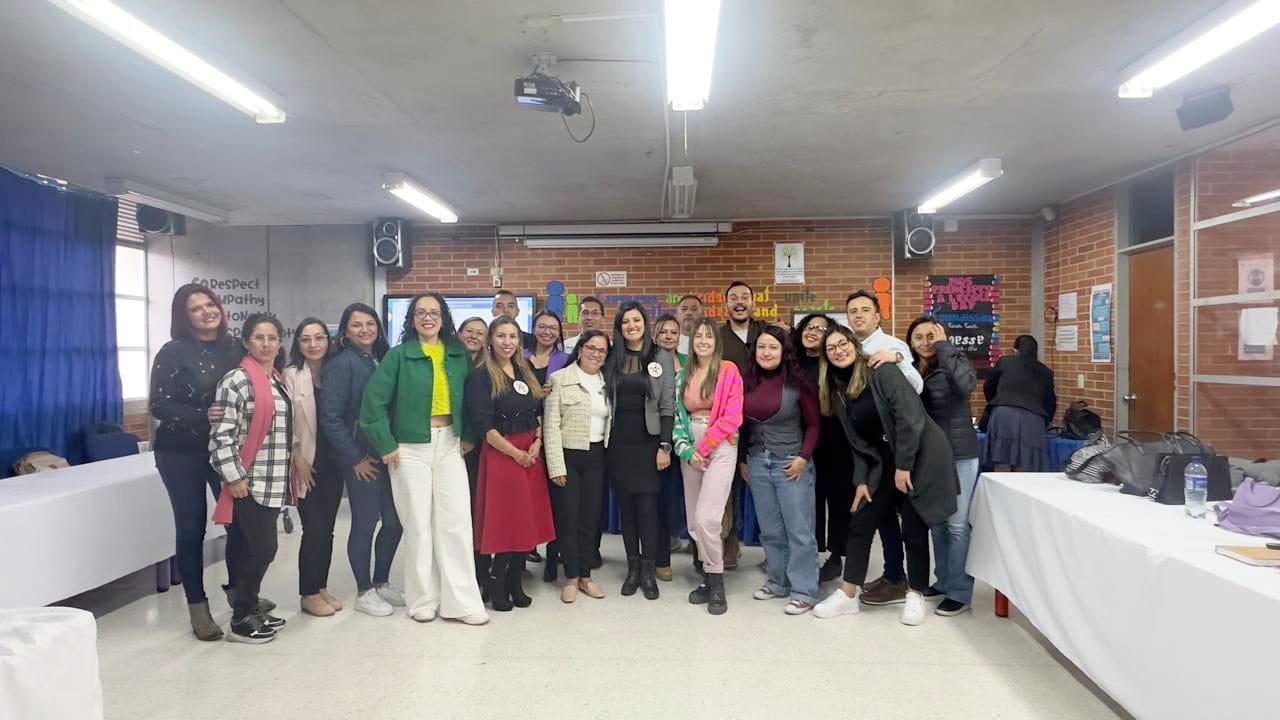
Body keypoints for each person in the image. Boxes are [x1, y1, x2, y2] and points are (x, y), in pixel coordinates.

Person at [812, 326, 958, 626]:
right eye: (831, 348)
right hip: (884, 464)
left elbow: (910, 417)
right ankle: (848, 594)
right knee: (861, 522)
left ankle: (915, 593)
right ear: (825, 357)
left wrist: (904, 466)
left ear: (854, 345)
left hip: (918, 457)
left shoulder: (881, 371)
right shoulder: (837, 390)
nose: (839, 350)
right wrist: (862, 480)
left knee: (913, 530)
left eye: (843, 343)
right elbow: (857, 443)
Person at [359, 292, 488, 625]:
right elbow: (372, 406)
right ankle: (422, 600)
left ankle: (462, 603)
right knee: (417, 524)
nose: (428, 318)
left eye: (434, 312)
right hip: (409, 448)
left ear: (443, 318)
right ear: (412, 319)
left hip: (449, 445)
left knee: (456, 523)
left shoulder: (458, 355)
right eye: (420, 312)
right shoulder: (398, 356)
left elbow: (472, 401)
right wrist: (386, 444)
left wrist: (469, 435)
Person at [149, 284, 255, 641]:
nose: (207, 312)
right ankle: (198, 607)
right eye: (196, 309)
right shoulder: (173, 352)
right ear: (184, 316)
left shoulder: (236, 348)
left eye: (210, 304)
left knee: (240, 523)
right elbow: (159, 405)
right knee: (191, 527)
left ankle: (241, 595)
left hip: (224, 449)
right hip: (180, 452)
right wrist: (202, 415)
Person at [209, 313, 293, 644]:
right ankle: (241, 616)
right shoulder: (237, 380)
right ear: (246, 342)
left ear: (280, 342)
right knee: (263, 548)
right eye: (259, 337)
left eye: (272, 337)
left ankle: (250, 607)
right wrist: (234, 477)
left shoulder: (275, 379)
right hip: (250, 480)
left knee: (248, 547)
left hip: (273, 478)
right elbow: (221, 436)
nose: (266, 343)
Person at [466, 316, 556, 612]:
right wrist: (516, 454)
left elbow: (536, 410)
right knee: (507, 520)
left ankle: (516, 582)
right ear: (490, 340)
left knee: (525, 520)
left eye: (513, 336)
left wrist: (537, 442)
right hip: (502, 453)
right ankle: (496, 582)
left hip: (530, 451)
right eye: (501, 336)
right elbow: (484, 426)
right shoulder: (480, 376)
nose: (507, 342)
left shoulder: (524, 369)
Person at [319, 303, 403, 618]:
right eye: (357, 325)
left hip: (387, 452)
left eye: (370, 323)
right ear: (346, 331)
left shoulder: (382, 357)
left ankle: (381, 581)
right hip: (361, 457)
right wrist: (354, 458)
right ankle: (364, 590)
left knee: (394, 522)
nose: (365, 330)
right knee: (365, 523)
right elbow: (330, 418)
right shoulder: (342, 364)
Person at [844, 290, 923, 606]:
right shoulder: (851, 348)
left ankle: (907, 584)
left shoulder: (891, 346)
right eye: (853, 311)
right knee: (884, 517)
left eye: (865, 310)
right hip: (872, 449)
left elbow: (916, 386)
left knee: (903, 520)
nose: (858, 315)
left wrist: (897, 359)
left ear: (878, 316)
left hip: (898, 449)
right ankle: (894, 575)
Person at [740, 326, 821, 615]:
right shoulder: (747, 381)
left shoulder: (798, 383)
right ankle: (778, 582)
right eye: (762, 347)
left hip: (791, 463)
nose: (766, 352)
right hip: (757, 462)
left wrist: (803, 457)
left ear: (783, 351)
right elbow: (742, 426)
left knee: (799, 531)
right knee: (771, 530)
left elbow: (814, 425)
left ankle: (805, 591)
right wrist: (743, 460)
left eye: (773, 347)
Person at [908, 316, 979, 616]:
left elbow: (966, 385)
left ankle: (960, 592)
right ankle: (944, 580)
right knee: (937, 522)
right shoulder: (911, 369)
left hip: (960, 453)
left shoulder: (954, 360)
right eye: (918, 337)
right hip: (930, 457)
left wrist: (945, 347)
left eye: (931, 336)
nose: (925, 342)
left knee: (957, 525)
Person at [605, 301, 676, 600]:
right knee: (627, 509)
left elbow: (668, 404)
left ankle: (648, 570)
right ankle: (632, 569)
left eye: (636, 320)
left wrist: (664, 445)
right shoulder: (612, 356)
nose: (631, 326)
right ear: (619, 327)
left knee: (647, 509)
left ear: (645, 324)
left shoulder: (660, 356)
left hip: (649, 443)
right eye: (625, 321)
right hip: (618, 443)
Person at [672, 318, 743, 615]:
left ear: (716, 341)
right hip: (690, 448)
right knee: (693, 522)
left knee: (708, 518)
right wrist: (687, 451)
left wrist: (702, 449)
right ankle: (707, 575)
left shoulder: (728, 370)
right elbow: (676, 417)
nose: (703, 340)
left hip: (721, 445)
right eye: (698, 336)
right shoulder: (682, 375)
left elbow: (733, 417)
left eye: (708, 336)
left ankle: (716, 582)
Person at [543, 330, 612, 603]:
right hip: (567, 457)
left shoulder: (608, 381)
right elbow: (551, 425)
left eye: (602, 350)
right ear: (581, 348)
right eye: (591, 348)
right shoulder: (560, 379)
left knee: (590, 520)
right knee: (569, 519)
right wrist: (556, 466)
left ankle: (585, 576)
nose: (596, 354)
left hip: (597, 456)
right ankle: (571, 577)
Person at [282, 317, 343, 617]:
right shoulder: (291, 375)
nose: (313, 344)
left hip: (334, 463)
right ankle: (308, 593)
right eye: (306, 339)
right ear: (298, 344)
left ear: (328, 341)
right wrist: (298, 459)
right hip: (306, 460)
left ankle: (320, 587)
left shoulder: (334, 372)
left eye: (319, 338)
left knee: (327, 530)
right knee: (314, 529)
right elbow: (282, 420)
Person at [792, 313, 853, 583]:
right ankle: (811, 553)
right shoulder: (791, 361)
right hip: (801, 441)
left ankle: (836, 555)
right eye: (809, 326)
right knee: (808, 501)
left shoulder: (835, 363)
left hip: (835, 440)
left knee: (838, 500)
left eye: (820, 328)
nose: (813, 331)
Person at [717, 281, 765, 571]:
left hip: (764, 419)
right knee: (726, 486)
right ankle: (728, 541)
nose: (739, 302)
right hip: (727, 420)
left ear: (753, 302)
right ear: (726, 304)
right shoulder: (717, 337)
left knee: (766, 484)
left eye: (745, 297)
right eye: (733, 297)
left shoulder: (766, 332)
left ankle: (773, 548)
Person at [523, 310, 571, 575]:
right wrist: (534, 395)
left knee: (555, 497)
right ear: (534, 328)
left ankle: (554, 554)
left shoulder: (565, 360)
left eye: (553, 327)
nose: (547, 332)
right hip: (523, 431)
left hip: (555, 433)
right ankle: (524, 549)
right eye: (542, 326)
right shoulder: (519, 356)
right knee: (527, 495)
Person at [983, 334, 1057, 472]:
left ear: (1015, 350)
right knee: (1026, 465)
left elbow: (989, 386)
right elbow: (1050, 401)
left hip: (1003, 414)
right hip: (1033, 419)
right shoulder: (1045, 371)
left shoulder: (1005, 362)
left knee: (1001, 461)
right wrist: (1046, 421)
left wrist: (997, 402)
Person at [456, 315, 490, 595]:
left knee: (478, 507)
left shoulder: (489, 367)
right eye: (469, 331)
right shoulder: (450, 361)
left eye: (480, 333)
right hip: (451, 442)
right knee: (458, 510)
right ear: (459, 333)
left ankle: (481, 568)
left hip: (481, 445)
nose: (474, 336)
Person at [652, 312, 686, 580]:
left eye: (673, 332)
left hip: (686, 440)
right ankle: (660, 558)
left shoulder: (689, 361)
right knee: (659, 500)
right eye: (663, 331)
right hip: (657, 440)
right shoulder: (649, 361)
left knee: (679, 500)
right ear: (655, 335)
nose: (668, 336)